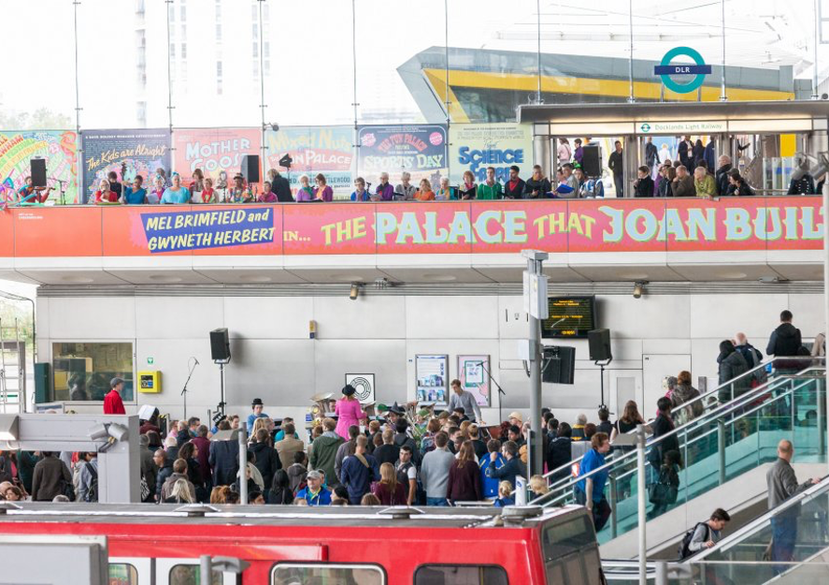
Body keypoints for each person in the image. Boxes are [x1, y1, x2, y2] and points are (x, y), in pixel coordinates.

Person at [766, 439, 820, 573]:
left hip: (775, 515)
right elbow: (792, 490)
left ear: (778, 451)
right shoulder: (785, 469)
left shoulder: (771, 469)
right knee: (784, 550)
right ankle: (781, 575)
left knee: (778, 549)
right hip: (786, 516)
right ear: (792, 452)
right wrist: (809, 483)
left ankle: (777, 575)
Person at [575, 433, 612, 531]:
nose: (608, 444)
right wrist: (589, 500)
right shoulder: (592, 457)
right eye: (606, 443)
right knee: (588, 518)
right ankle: (590, 534)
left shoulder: (600, 455)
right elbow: (589, 481)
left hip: (596, 492)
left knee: (605, 510)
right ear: (598, 446)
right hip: (585, 491)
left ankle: (593, 532)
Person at [339, 435, 380, 505]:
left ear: (355, 445)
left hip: (352, 495)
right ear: (366, 446)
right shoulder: (372, 460)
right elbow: (378, 477)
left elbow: (343, 481)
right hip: (367, 496)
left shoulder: (347, 461)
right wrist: (369, 478)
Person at [420, 431, 455, 506]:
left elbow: (423, 474)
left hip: (430, 492)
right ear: (446, 442)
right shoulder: (450, 456)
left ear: (434, 442)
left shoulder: (427, 456)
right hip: (444, 492)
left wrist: (425, 487)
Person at [309, 417, 343, 485]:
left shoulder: (317, 441)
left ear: (325, 427)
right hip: (337, 475)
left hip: (321, 474)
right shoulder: (342, 441)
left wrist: (315, 469)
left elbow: (312, 459)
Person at [649, 450, 680, 518]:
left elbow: (674, 481)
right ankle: (654, 513)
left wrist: (668, 470)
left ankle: (658, 514)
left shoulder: (673, 469)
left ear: (671, 460)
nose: (664, 460)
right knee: (659, 503)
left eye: (666, 459)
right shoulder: (665, 468)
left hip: (667, 491)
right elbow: (661, 478)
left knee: (662, 504)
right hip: (663, 490)